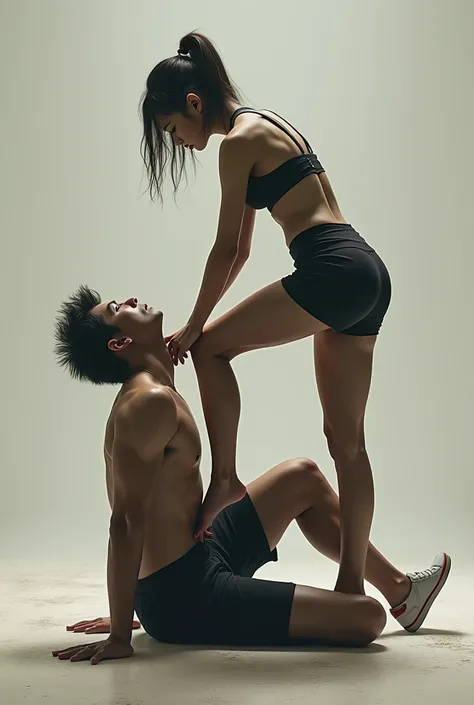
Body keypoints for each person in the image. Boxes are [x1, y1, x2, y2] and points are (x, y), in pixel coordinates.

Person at [51, 287, 450, 664]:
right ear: (120, 343)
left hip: (201, 550)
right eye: (118, 308)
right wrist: (123, 629)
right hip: (186, 594)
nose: (131, 300)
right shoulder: (146, 404)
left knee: (302, 475)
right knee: (366, 618)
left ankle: (402, 592)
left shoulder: (158, 390)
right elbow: (124, 519)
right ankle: (364, 604)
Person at [140, 32, 394, 595]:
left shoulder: (235, 144)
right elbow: (245, 250)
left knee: (209, 350)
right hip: (365, 271)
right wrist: (201, 321)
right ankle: (352, 584)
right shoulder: (262, 124)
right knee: (346, 442)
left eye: (171, 129)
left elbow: (226, 247)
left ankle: (226, 478)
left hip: (330, 268)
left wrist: (194, 327)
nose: (178, 142)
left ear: (193, 103)